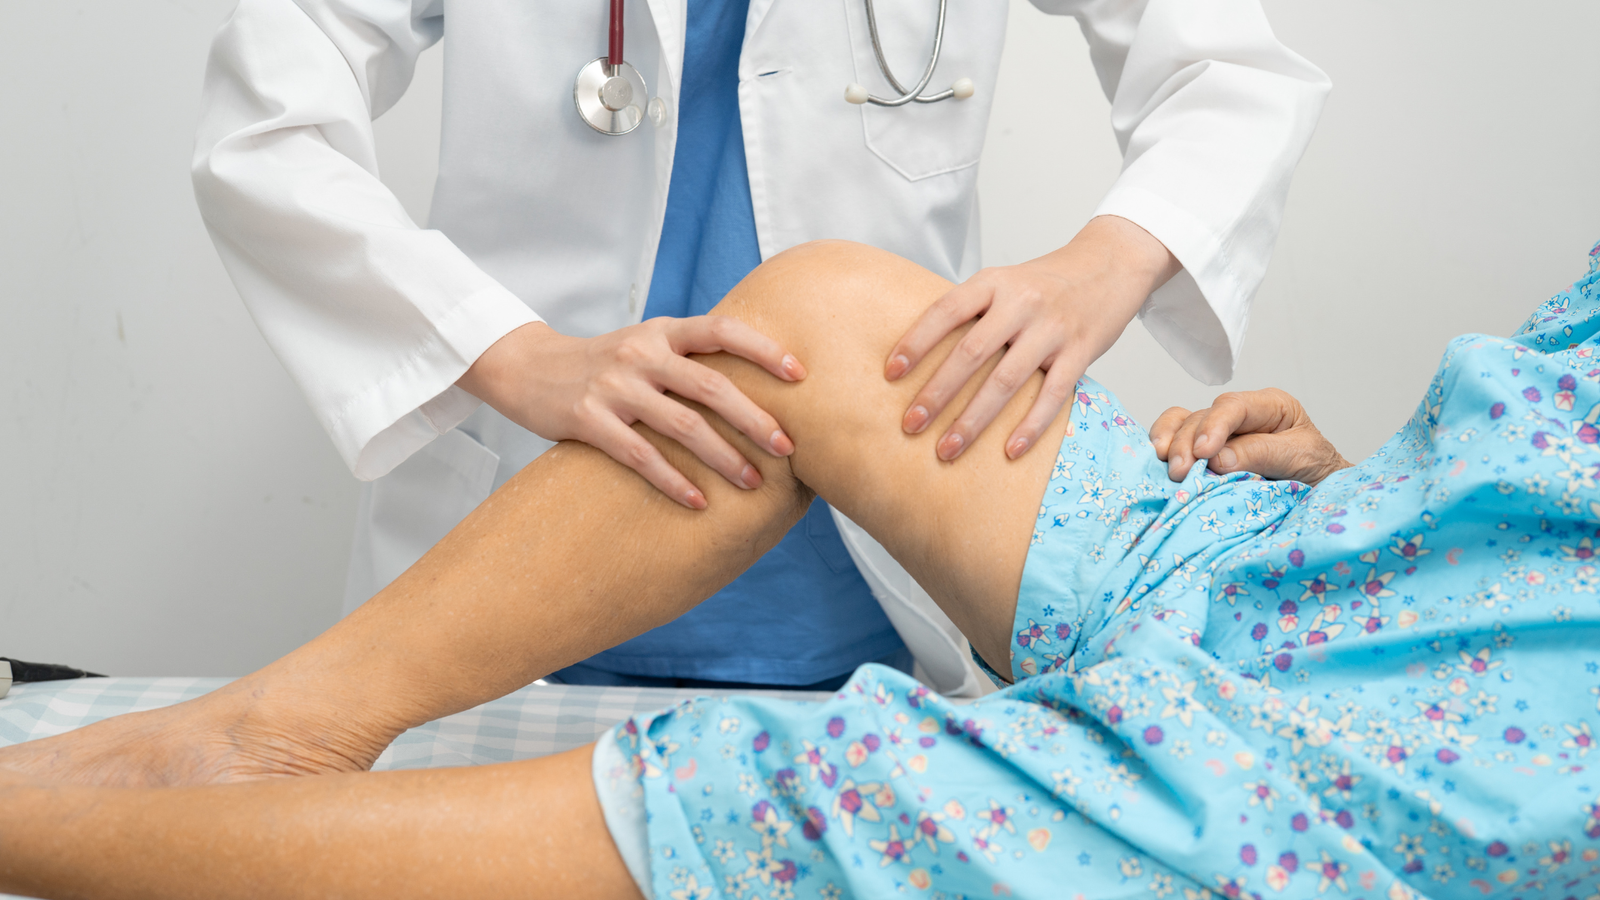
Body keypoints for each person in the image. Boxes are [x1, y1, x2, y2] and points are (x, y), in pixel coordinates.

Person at [5, 238, 1599, 900]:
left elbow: (1222, 67)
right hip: (1362, 567)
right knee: (835, 323)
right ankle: (271, 729)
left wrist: (1121, 253)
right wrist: (1390, 495)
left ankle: (35, 819)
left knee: (814, 787)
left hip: (1492, 738)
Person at [192, 0, 1331, 693]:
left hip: (869, 613)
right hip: (523, 575)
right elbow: (265, 127)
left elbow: (1229, 72)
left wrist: (1108, 259)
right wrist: (505, 350)